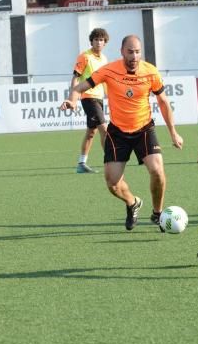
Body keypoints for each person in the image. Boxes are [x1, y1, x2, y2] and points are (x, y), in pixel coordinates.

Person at [60, 35, 183, 231]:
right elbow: (81, 86)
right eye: (130, 52)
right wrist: (72, 100)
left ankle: (158, 213)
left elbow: (163, 102)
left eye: (137, 52)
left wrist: (173, 133)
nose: (134, 56)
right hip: (117, 132)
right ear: (122, 52)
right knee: (112, 184)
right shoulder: (109, 70)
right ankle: (132, 202)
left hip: (144, 129)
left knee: (158, 171)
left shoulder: (150, 72)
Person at [70, 28, 110, 173]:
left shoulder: (104, 59)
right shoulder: (84, 57)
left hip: (99, 98)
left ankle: (81, 164)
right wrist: (72, 99)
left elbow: (105, 80)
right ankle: (111, 161)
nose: (98, 42)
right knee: (104, 129)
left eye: (101, 40)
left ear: (105, 43)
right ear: (91, 41)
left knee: (91, 132)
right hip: (88, 97)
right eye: (96, 40)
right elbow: (76, 78)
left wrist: (110, 96)